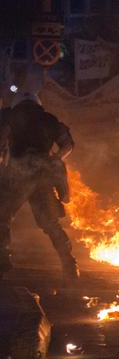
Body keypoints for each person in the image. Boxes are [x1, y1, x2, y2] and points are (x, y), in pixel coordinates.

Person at [0, 90, 78, 280]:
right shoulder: (50, 120)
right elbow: (68, 144)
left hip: (16, 177)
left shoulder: (10, 116)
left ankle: (3, 262)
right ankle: (69, 264)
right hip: (42, 176)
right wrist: (54, 158)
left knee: (3, 218)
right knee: (50, 223)